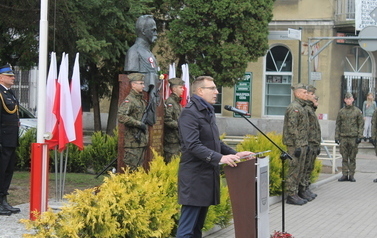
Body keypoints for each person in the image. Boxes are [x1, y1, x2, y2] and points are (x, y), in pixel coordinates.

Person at [176, 76, 253, 238]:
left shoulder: (206, 111)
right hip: (194, 177)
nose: (216, 92)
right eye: (212, 88)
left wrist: (234, 154)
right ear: (200, 91)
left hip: (206, 175)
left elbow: (215, 142)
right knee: (186, 230)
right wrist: (220, 158)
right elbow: (192, 145)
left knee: (197, 228)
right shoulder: (190, 113)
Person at [124, 15, 160, 126]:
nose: (156, 33)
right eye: (153, 30)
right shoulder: (134, 52)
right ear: (143, 31)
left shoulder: (149, 54)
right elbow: (132, 76)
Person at [282, 83, 309, 206]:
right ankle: (291, 194)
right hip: (294, 144)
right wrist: (298, 145)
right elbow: (292, 128)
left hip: (302, 143)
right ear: (297, 93)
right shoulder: (294, 107)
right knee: (293, 169)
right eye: (304, 92)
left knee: (299, 169)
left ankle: (296, 192)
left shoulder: (301, 106)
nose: (306, 94)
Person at [0, 64, 21, 216]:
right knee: (1, 170)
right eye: (9, 76)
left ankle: (3, 200)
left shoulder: (10, 93)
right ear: (1, 77)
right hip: (2, 138)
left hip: (10, 138)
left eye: (12, 75)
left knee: (8, 170)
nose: (13, 78)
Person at [118, 73, 148, 171]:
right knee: (131, 171)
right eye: (141, 83)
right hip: (132, 141)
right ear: (133, 85)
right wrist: (138, 123)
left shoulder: (141, 101)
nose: (143, 86)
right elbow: (121, 116)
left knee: (138, 170)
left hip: (140, 141)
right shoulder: (130, 100)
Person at [335, 92, 364, 182]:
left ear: (353, 100)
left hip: (353, 137)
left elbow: (361, 124)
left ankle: (351, 175)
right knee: (344, 157)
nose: (348, 100)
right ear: (344, 100)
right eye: (347, 99)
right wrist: (336, 136)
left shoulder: (357, 111)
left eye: (350, 99)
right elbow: (338, 125)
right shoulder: (341, 112)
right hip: (343, 137)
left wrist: (360, 136)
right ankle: (344, 174)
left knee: (352, 157)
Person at [301, 86, 321, 202]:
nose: (314, 97)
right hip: (309, 142)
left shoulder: (310, 109)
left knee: (309, 167)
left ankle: (306, 188)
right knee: (305, 168)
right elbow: (306, 128)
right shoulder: (306, 109)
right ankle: (302, 189)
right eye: (312, 95)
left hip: (313, 142)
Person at [163, 78, 185, 163]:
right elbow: (167, 120)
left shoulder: (177, 103)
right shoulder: (170, 103)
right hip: (172, 141)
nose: (183, 89)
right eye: (180, 87)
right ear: (174, 89)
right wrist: (181, 125)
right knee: (172, 163)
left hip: (178, 139)